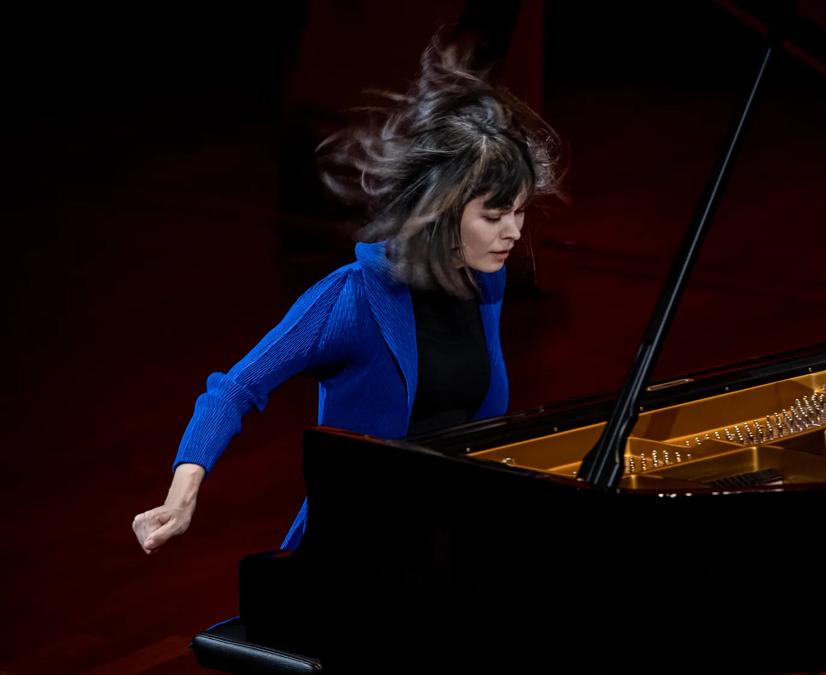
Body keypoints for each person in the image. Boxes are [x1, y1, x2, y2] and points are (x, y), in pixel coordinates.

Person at [132, 39, 562, 554]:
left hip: (448, 528)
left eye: (519, 212)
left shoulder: (485, 281)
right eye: (493, 217)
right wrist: (182, 494)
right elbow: (234, 389)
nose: (513, 232)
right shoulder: (352, 297)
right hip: (360, 541)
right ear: (442, 211)